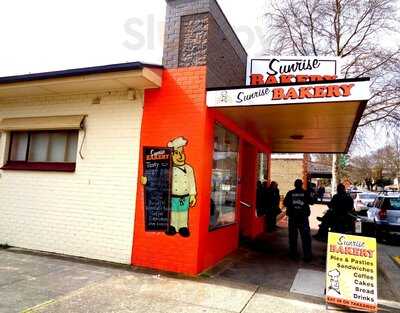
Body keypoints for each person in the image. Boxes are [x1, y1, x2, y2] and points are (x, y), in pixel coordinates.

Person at [284, 179, 313, 262]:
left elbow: (285, 203)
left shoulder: (290, 193)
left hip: (293, 218)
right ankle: (307, 255)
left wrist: (292, 205)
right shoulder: (305, 193)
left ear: (294, 184)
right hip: (303, 218)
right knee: (305, 237)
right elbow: (312, 202)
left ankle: (293, 254)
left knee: (293, 236)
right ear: (301, 184)